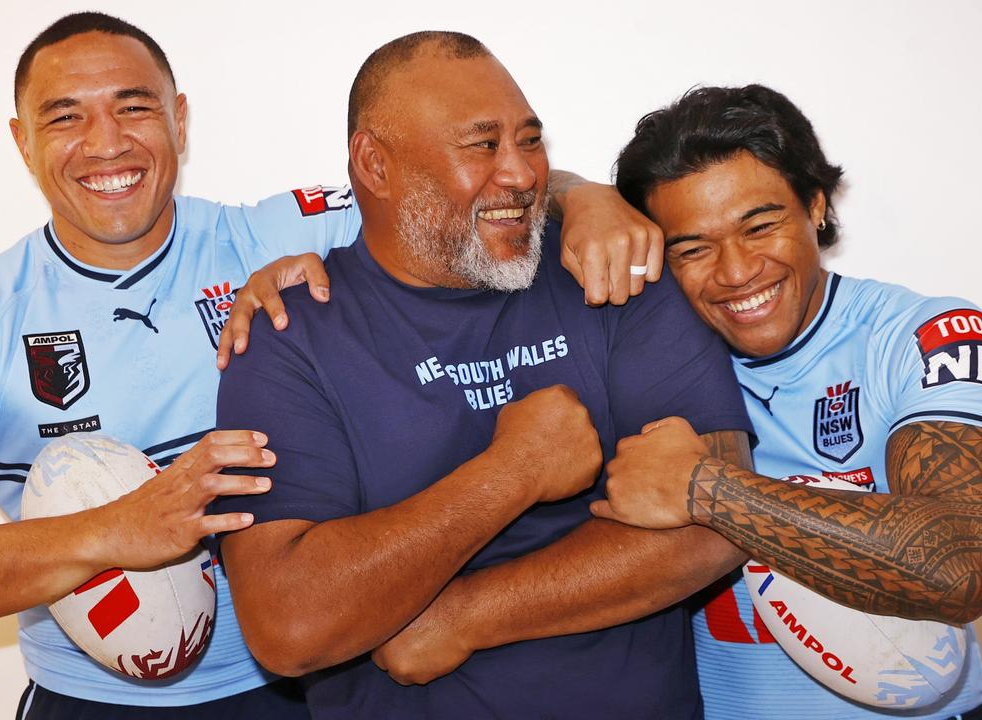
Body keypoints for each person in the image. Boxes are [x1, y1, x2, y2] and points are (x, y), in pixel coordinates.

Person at [0, 12, 656, 718]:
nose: (107, 143)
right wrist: (117, 531)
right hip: (91, 701)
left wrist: (587, 198)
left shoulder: (275, 234)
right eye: (65, 118)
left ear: (180, 121)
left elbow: (467, 189)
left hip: (305, 683)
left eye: (134, 107)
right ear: (20, 141)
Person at [213, 31, 752, 720]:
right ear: (375, 165)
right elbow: (289, 627)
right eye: (483, 145)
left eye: (529, 140)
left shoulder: (611, 268)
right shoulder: (291, 337)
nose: (523, 173)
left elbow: (723, 520)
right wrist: (513, 471)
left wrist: (467, 614)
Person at [594, 84, 982, 720]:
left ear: (815, 206)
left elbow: (962, 562)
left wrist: (704, 489)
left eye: (759, 226)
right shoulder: (650, 363)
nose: (736, 272)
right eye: (693, 248)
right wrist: (580, 196)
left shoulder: (926, 334)